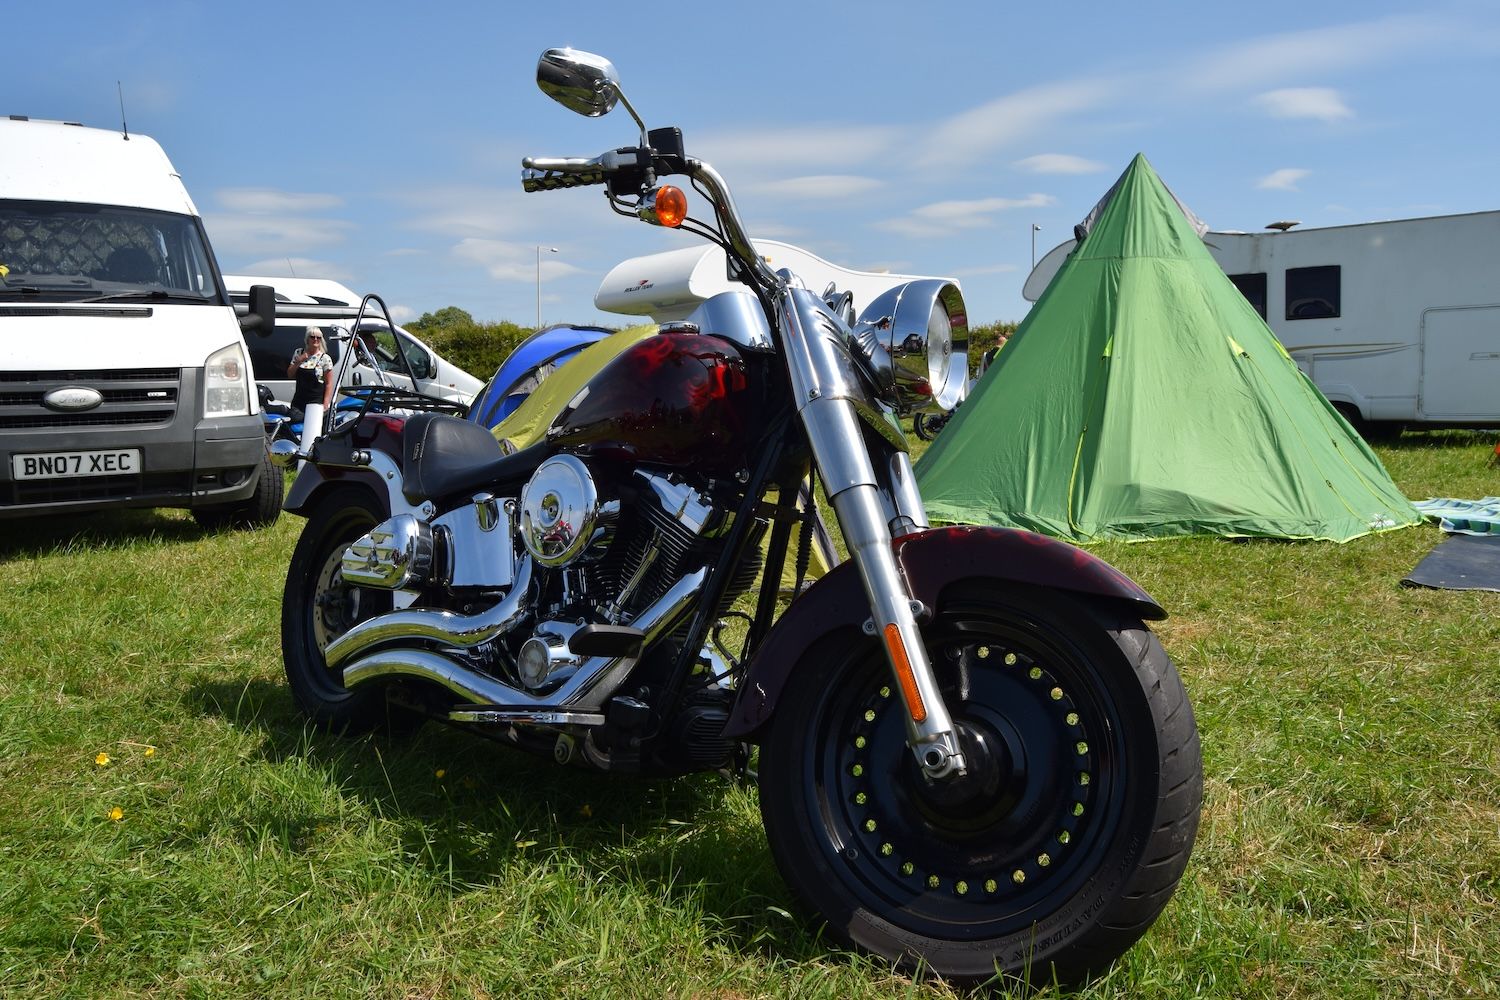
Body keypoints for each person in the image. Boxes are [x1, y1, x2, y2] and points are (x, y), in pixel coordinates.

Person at [286, 327, 335, 423]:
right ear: (307, 339)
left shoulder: (325, 358)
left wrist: (325, 404)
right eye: (312, 337)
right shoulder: (298, 352)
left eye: (318, 337)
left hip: (315, 403)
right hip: (298, 403)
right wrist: (299, 361)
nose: (315, 339)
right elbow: (290, 374)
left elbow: (329, 384)